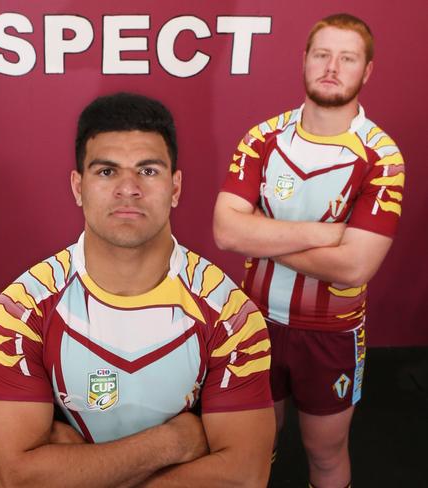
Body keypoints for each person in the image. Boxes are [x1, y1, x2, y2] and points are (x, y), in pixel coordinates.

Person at [0, 92, 275, 487]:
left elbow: (243, 477)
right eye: (106, 172)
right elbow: (16, 479)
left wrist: (75, 467)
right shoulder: (17, 311)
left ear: (176, 186)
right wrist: (172, 443)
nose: (128, 188)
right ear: (77, 186)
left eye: (148, 171)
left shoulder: (232, 315)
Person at [213, 13, 404, 488]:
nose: (332, 67)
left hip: (331, 335)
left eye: (347, 58)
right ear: (304, 61)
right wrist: (327, 233)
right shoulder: (263, 138)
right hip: (254, 320)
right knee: (256, 443)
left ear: (367, 70)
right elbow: (226, 232)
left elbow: (355, 266)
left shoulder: (382, 156)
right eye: (322, 54)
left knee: (325, 451)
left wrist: (263, 232)